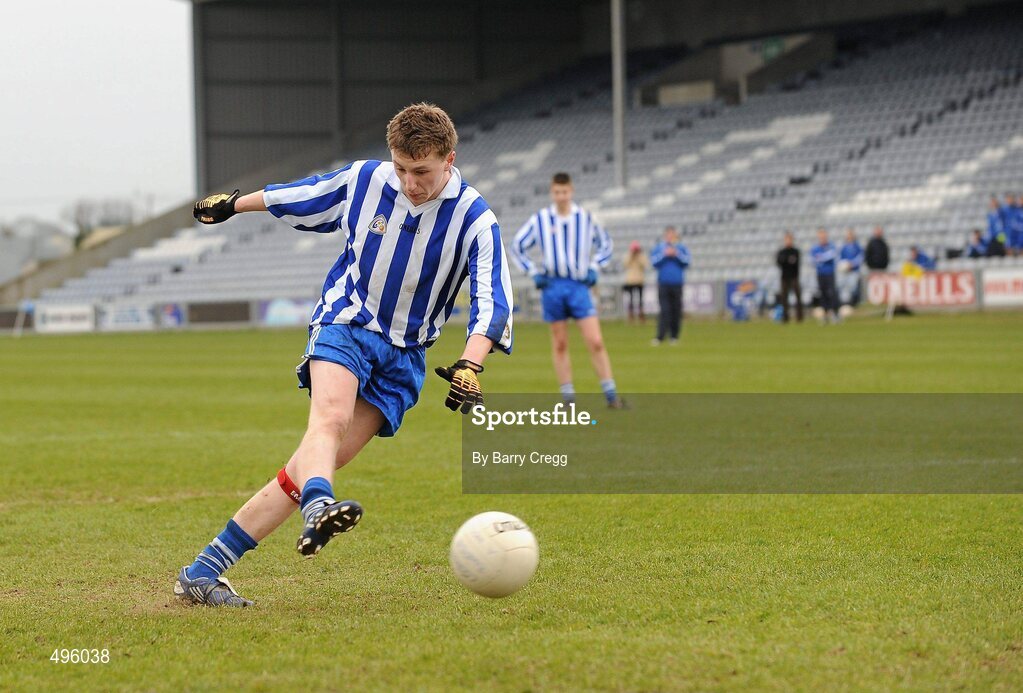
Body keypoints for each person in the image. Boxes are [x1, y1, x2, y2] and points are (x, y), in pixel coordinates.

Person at [176, 103, 513, 607]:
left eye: (421, 171)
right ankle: (319, 507)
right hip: (346, 321)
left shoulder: (476, 220)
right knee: (327, 423)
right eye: (400, 168)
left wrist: (470, 362)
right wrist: (234, 204)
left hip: (405, 359)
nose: (408, 182)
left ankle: (203, 571)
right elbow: (305, 194)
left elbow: (494, 299)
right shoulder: (367, 180)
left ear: (449, 159)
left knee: (313, 463)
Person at [512, 172, 625, 408]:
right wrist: (533, 272)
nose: (561, 196)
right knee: (560, 343)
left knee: (595, 341)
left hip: (578, 287)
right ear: (552, 193)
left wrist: (595, 267)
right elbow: (517, 246)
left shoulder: (584, 218)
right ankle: (568, 397)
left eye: (564, 192)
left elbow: (606, 244)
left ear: (571, 192)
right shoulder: (541, 219)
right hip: (553, 286)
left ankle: (611, 394)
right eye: (557, 192)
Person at [649, 226, 691, 345]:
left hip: (677, 283)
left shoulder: (681, 248)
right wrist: (665, 255)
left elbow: (687, 261)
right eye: (668, 234)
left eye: (672, 234)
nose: (670, 237)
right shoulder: (660, 248)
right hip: (663, 283)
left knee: (676, 310)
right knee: (664, 310)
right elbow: (654, 262)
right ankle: (660, 336)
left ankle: (674, 336)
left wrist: (676, 254)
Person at [810, 228, 839, 323]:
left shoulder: (831, 246)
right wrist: (823, 257)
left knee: (832, 293)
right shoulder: (815, 248)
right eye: (820, 235)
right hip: (820, 274)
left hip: (830, 273)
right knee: (822, 294)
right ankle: (825, 314)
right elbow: (813, 260)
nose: (822, 237)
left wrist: (821, 257)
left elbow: (832, 255)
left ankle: (834, 313)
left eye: (823, 235)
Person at [775, 231, 802, 323]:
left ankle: (799, 317)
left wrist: (785, 261)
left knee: (798, 297)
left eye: (789, 239)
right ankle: (785, 317)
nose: (788, 241)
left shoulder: (795, 251)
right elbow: (779, 262)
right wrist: (788, 261)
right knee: (784, 298)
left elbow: (795, 263)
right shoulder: (782, 251)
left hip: (794, 277)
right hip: (784, 277)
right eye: (787, 239)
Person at [622, 241, 648, 323]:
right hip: (630, 280)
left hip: (640, 280)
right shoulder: (628, 255)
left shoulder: (641, 256)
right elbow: (625, 264)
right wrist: (631, 255)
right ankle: (631, 315)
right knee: (631, 299)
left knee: (640, 299)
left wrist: (638, 257)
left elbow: (645, 265)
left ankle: (641, 315)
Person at [838, 228, 864, 306]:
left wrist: (852, 264)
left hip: (854, 271)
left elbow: (860, 258)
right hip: (845, 271)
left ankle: (854, 303)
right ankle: (844, 303)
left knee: (853, 287)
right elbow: (840, 258)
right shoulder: (844, 247)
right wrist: (844, 265)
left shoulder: (857, 247)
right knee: (843, 286)